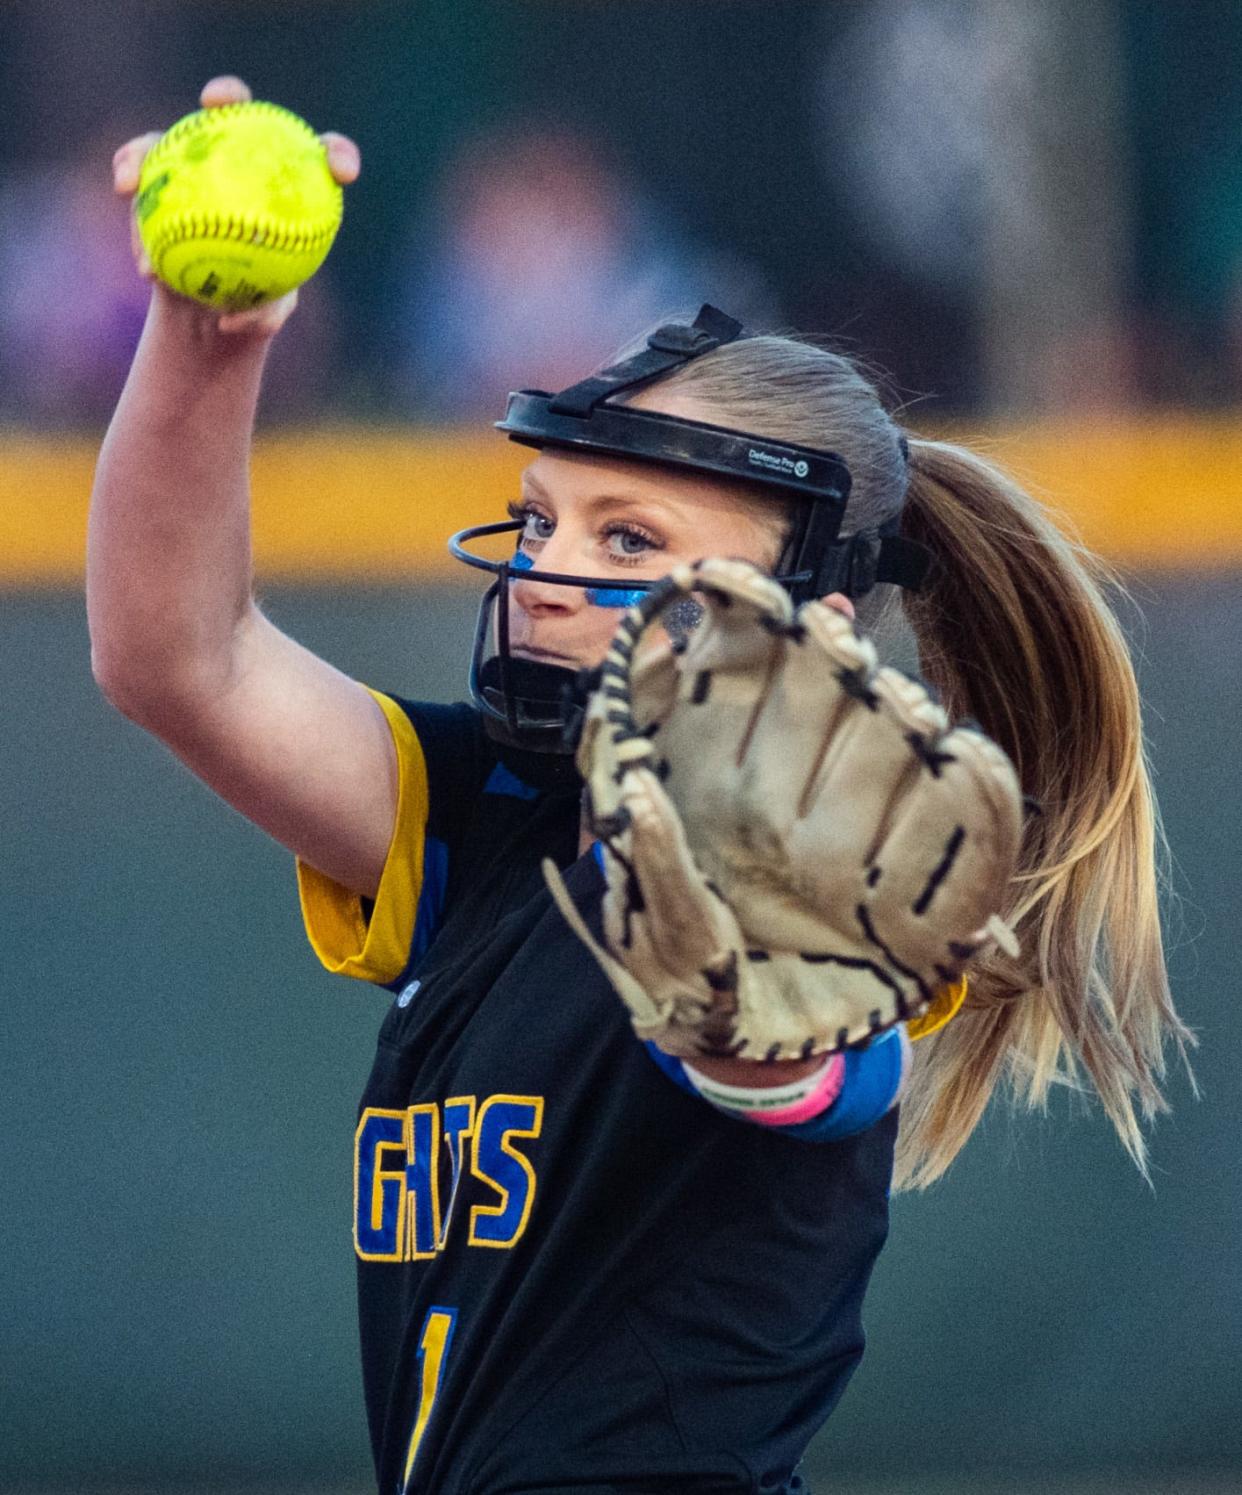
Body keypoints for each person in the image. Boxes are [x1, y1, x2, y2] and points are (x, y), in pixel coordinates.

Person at [90, 77, 1190, 1495]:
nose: (550, 576)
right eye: (545, 521)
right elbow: (173, 657)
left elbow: (796, 1064)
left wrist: (749, 1021)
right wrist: (204, 341)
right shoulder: (479, 812)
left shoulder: (831, 871)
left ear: (815, 620)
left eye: (627, 539)